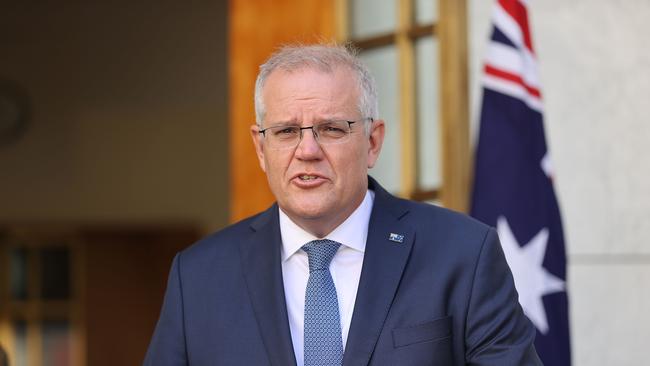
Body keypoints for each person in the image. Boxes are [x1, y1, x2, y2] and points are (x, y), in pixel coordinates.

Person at [144, 44, 541, 365]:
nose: (307, 151)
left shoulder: (463, 254)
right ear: (261, 148)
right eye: (285, 132)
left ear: (372, 141)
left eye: (331, 129)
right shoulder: (196, 278)